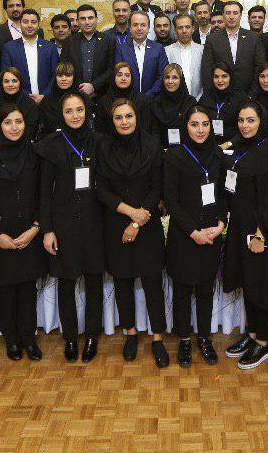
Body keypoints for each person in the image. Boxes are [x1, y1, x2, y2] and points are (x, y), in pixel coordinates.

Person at [95, 98, 169, 367]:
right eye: (119, 117)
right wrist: (130, 213)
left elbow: (157, 187)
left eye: (129, 116)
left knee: (152, 283)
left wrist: (138, 221)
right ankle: (130, 333)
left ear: (137, 117)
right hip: (116, 222)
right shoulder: (103, 147)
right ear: (112, 121)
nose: (124, 122)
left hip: (146, 224)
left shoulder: (151, 144)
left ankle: (158, 337)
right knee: (122, 282)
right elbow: (102, 189)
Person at [37, 91, 105, 363]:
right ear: (61, 114)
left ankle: (91, 336)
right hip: (63, 224)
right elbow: (44, 192)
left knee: (94, 282)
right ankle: (70, 337)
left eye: (79, 110)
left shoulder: (99, 141)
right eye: (69, 111)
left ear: (87, 112)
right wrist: (47, 230)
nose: (75, 116)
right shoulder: (51, 145)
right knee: (66, 284)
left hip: (94, 222)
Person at [0, 103, 46, 362]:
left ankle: (29, 338)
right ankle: (12, 340)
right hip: (0, 236)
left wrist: (35, 228)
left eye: (18, 122)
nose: (14, 128)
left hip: (29, 232)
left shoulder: (35, 153)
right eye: (7, 123)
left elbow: (43, 195)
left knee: (28, 288)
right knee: (6, 290)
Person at [165, 105, 227, 367]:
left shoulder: (218, 155)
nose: (200, 130)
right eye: (194, 124)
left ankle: (204, 337)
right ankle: (184, 339)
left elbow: (223, 194)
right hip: (184, 236)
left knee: (205, 290)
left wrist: (221, 223)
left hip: (211, 234)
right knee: (182, 291)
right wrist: (193, 232)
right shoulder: (174, 156)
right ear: (185, 127)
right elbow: (170, 200)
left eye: (205, 124)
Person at [222, 104, 268, 369]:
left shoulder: (267, 152)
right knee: (248, 282)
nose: (245, 125)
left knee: (261, 285)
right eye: (241, 120)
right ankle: (252, 333)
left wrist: (261, 235)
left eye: (251, 120)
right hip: (240, 226)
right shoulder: (243, 149)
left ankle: (263, 342)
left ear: (261, 122)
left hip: (259, 231)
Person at [201, 1, 266, 95]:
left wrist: (252, 95)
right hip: (220, 96)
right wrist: (212, 96)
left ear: (241, 15)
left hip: (248, 95)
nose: (231, 17)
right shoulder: (212, 39)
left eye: (235, 13)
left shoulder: (254, 38)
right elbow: (207, 70)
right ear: (223, 15)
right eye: (228, 13)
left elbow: (260, 67)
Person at [1, 9, 59, 103]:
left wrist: (44, 96)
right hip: (20, 101)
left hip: (46, 101)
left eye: (33, 22)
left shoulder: (50, 47)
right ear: (20, 24)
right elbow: (6, 76)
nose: (29, 25)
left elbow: (56, 74)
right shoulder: (9, 48)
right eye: (25, 22)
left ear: (38, 24)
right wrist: (26, 98)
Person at [61, 3, 117, 99]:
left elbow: (112, 68)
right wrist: (82, 87)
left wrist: (93, 86)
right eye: (83, 19)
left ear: (96, 19)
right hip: (75, 94)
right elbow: (64, 68)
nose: (87, 22)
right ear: (78, 21)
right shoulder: (69, 42)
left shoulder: (109, 40)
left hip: (103, 95)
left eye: (90, 18)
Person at [115, 10, 168, 96]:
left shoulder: (158, 48)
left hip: (152, 99)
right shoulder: (121, 49)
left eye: (143, 25)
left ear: (148, 27)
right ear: (130, 28)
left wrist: (148, 95)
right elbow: (119, 75)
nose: (139, 28)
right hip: (128, 99)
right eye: (135, 25)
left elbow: (163, 75)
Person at [0, 67, 40, 145]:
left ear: (20, 83)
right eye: (6, 81)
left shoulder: (30, 104)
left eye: (14, 81)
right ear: (2, 84)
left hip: (23, 148)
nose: (10, 84)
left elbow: (31, 131)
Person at [148, 64, 197, 148]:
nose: (170, 81)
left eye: (175, 77)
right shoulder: (155, 103)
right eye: (167, 77)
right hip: (161, 151)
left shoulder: (190, 102)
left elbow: (194, 131)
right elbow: (154, 133)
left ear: (181, 80)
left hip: (185, 150)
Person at [198, 63, 247, 146]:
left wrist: (229, 144)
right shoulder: (206, 96)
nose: (220, 80)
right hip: (207, 144)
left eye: (224, 76)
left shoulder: (241, 98)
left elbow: (246, 128)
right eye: (216, 77)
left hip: (233, 145)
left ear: (231, 77)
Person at [95, 62, 149, 134]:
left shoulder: (142, 99)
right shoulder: (104, 102)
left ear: (131, 78)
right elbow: (100, 131)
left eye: (127, 75)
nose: (123, 78)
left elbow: (146, 128)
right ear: (114, 78)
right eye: (119, 75)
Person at [165, 13, 204, 100]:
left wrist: (199, 99)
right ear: (175, 30)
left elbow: (206, 78)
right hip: (174, 101)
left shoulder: (203, 50)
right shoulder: (166, 51)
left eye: (187, 27)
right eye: (180, 27)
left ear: (193, 29)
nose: (184, 31)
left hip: (199, 101)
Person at [37, 62, 79, 138]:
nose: (64, 79)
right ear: (55, 78)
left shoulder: (82, 100)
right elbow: (42, 131)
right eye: (60, 76)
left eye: (68, 75)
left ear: (73, 77)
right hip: (52, 142)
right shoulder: (46, 102)